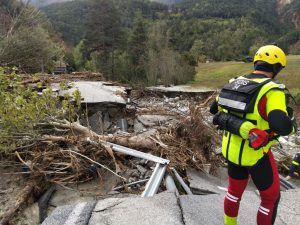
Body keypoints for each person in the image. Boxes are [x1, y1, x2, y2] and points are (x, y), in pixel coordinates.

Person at [210, 45, 296, 225]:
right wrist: (292, 123)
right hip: (256, 154)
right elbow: (281, 126)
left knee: (233, 193)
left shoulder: (234, 81)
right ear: (277, 67)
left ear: (257, 62)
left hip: (231, 151)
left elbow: (213, 109)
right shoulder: (272, 89)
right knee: (270, 199)